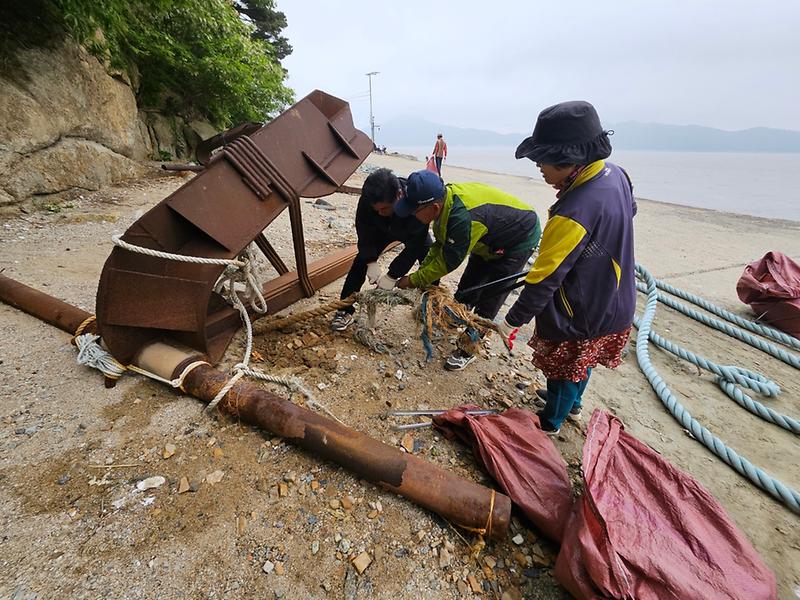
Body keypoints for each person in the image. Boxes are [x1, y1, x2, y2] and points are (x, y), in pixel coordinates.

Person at [496, 100, 637, 435]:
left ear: (570, 161)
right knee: (582, 363)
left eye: (543, 160)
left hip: (581, 311)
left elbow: (543, 280)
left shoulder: (572, 212)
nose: (539, 167)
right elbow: (630, 209)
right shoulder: (614, 173)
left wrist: (512, 320)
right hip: (616, 297)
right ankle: (572, 404)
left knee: (562, 370)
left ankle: (552, 421)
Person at [394, 170, 542, 370]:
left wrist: (413, 280)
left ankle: (469, 347)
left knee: (489, 299)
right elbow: (439, 246)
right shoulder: (444, 208)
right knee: (467, 288)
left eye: (414, 211)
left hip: (518, 241)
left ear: (434, 207)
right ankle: (455, 319)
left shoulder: (463, 219)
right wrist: (422, 271)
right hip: (487, 239)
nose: (412, 215)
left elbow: (447, 262)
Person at [331, 168, 433, 331]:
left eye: (384, 209)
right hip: (380, 230)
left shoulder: (415, 200)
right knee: (360, 262)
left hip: (410, 230)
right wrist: (371, 261)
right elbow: (364, 233)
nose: (380, 212)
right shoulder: (368, 200)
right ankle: (345, 310)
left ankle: (429, 308)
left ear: (399, 195)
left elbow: (414, 247)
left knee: (429, 259)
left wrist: (393, 275)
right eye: (376, 209)